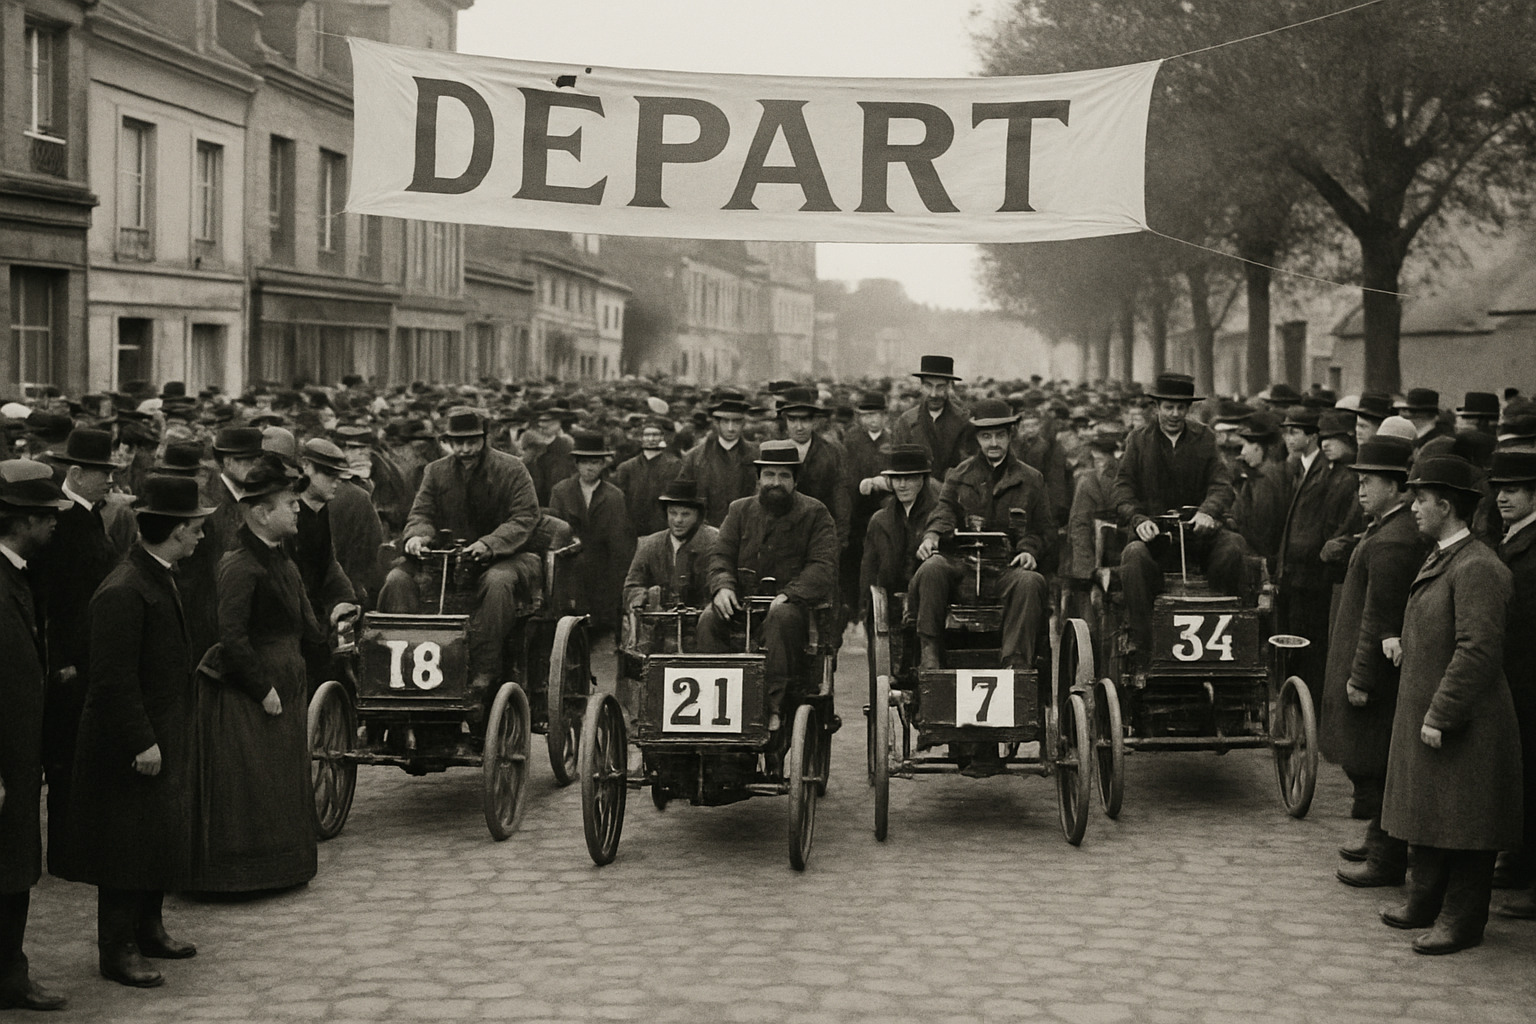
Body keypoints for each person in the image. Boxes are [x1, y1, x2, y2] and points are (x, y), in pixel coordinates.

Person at [71, 475, 214, 988]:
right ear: (175, 531)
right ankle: (118, 948)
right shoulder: (125, 588)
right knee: (125, 848)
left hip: (160, 732)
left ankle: (149, 928)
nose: (201, 537)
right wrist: (141, 740)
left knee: (155, 837)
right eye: (196, 528)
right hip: (129, 744)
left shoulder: (158, 574)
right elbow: (111, 679)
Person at [1379, 455, 1522, 955]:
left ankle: (1462, 920)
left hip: (1468, 721)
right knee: (1436, 812)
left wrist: (1442, 712)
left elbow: (1478, 650)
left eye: (1421, 499)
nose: (1413, 506)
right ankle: (1425, 901)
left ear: (1446, 505)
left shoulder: (1479, 566)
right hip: (1440, 713)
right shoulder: (1445, 554)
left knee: (1466, 822)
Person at [191, 462, 325, 893]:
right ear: (261, 514)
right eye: (290, 504)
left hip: (284, 684)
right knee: (251, 783)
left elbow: (302, 620)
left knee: (277, 780)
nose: (298, 510)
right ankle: (241, 876)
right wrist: (262, 689)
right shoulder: (241, 564)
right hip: (250, 699)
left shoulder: (280, 558)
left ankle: (280, 869)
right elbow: (231, 637)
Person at [1319, 438, 1427, 889]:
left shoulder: (1394, 542)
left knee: (1381, 763)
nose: (1360, 489)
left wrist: (1361, 677)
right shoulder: (1385, 527)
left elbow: (1381, 619)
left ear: (1399, 488)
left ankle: (1386, 858)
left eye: (1370, 481)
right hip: (1371, 666)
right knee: (1375, 760)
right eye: (1359, 481)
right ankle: (1377, 837)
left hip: (1378, 675)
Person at [377, 407, 541, 688]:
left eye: (472, 441)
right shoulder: (435, 472)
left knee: (497, 582)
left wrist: (489, 543)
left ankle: (484, 670)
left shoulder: (512, 469)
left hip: (507, 556)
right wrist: (417, 538)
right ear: (448, 442)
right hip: (446, 560)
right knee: (397, 580)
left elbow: (525, 516)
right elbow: (421, 515)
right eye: (458, 443)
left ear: (484, 438)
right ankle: (398, 667)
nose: (465, 449)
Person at [697, 440, 838, 734]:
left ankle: (770, 707)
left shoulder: (815, 513)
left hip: (793, 611)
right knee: (709, 618)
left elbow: (823, 567)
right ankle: (714, 706)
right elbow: (721, 555)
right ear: (759, 478)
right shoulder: (739, 511)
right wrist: (723, 587)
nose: (776, 482)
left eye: (784, 476)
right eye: (769, 475)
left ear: (795, 480)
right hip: (742, 605)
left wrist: (790, 594)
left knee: (780, 618)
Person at [32, 429, 122, 883]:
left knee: (80, 754)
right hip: (70, 665)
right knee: (66, 758)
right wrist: (61, 659)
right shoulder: (62, 522)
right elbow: (49, 599)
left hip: (89, 656)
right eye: (103, 472)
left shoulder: (87, 516)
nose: (110, 479)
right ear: (77, 473)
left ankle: (79, 845)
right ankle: (67, 855)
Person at [1111, 373, 1244, 678]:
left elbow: (1222, 485)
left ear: (1189, 409)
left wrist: (1208, 512)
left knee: (1234, 547)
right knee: (1132, 557)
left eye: (1181, 408)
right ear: (1156, 406)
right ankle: (1149, 647)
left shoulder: (1205, 438)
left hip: (1200, 541)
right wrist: (1139, 519)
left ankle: (1225, 638)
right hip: (1156, 543)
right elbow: (1122, 489)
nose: (1174, 415)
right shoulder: (1138, 441)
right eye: (1168, 407)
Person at [909, 399, 1054, 674]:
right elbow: (944, 511)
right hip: (962, 569)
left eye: (1000, 435)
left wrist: (1028, 551)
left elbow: (1044, 530)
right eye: (986, 436)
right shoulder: (959, 475)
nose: (993, 443)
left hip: (1006, 571)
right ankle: (930, 656)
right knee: (931, 568)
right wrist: (932, 536)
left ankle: (1016, 664)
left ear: (1011, 436)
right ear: (977, 438)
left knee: (1030, 581)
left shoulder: (1031, 479)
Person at [0, 461, 71, 1012]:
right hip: (4, 764)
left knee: (16, 867)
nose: (54, 525)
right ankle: (10, 976)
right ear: (21, 520)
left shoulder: (17, 573)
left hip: (19, 758)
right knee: (8, 870)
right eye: (46, 516)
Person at [1275, 407, 1363, 702]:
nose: (1327, 444)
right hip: (1303, 574)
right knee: (1301, 646)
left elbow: (1336, 525)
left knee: (1311, 650)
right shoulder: (1327, 471)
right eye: (1324, 437)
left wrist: (1324, 553)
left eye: (1334, 438)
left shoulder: (1344, 476)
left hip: (1316, 576)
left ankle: (1307, 707)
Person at [1489, 450, 1536, 919]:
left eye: (1514, 489)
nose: (1503, 496)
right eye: (1499, 488)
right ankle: (1520, 862)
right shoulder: (1514, 538)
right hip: (1516, 676)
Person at [548, 433, 635, 636]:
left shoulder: (614, 497)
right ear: (577, 464)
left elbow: (620, 545)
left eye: (595, 462)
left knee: (600, 631)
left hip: (602, 572)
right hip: (568, 569)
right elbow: (554, 531)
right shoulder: (561, 491)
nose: (589, 467)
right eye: (585, 462)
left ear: (603, 464)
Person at [857, 444, 939, 626]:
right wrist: (866, 608)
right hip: (889, 609)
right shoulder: (880, 521)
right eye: (897, 479)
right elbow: (869, 569)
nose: (902, 485)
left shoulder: (938, 517)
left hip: (929, 610)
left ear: (923, 479)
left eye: (909, 479)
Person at [621, 479, 718, 612]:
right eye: (673, 513)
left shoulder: (715, 542)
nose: (678, 520)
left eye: (685, 514)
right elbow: (631, 586)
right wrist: (645, 598)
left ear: (698, 517)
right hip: (660, 622)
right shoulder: (650, 545)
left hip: (703, 622)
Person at [677, 389, 759, 527]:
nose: (731, 428)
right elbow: (683, 500)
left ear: (743, 423)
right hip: (705, 532)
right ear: (716, 422)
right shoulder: (695, 457)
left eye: (736, 422)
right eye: (726, 421)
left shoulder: (758, 455)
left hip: (747, 530)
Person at [1063, 428, 1124, 615]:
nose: (1101, 465)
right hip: (1092, 554)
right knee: (1089, 616)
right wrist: (1087, 571)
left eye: (1104, 459)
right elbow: (1079, 525)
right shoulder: (1087, 482)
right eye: (1097, 460)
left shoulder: (1124, 479)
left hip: (1117, 555)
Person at [889, 355, 975, 482]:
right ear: (921, 386)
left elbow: (967, 467)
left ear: (949, 387)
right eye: (929, 386)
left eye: (940, 387)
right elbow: (897, 466)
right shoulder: (906, 422)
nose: (934, 394)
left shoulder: (963, 422)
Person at [1229, 411, 1290, 572]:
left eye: (1245, 446)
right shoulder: (1265, 474)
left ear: (1257, 448)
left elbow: (1262, 530)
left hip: (1262, 561)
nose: (1242, 453)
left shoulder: (1265, 480)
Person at [611, 417, 682, 539]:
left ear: (662, 438)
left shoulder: (675, 466)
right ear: (641, 438)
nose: (651, 439)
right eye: (647, 435)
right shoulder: (626, 468)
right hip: (632, 530)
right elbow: (618, 503)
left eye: (655, 435)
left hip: (663, 530)